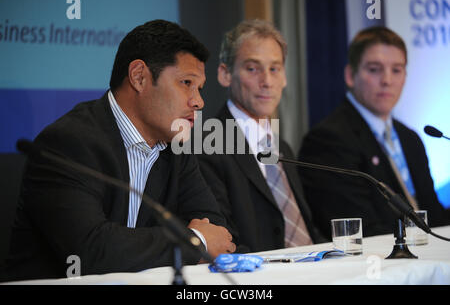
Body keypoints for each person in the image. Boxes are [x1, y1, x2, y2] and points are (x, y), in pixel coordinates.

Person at [1, 19, 235, 282]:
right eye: (186, 83)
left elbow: (216, 230)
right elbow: (90, 251)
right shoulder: (68, 143)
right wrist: (194, 241)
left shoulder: (176, 148)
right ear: (139, 77)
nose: (199, 101)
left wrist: (199, 239)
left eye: (200, 88)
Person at [298, 26, 450, 239]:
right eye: (374, 69)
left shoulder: (411, 139)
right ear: (351, 75)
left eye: (396, 70)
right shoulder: (328, 140)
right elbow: (360, 231)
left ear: (405, 76)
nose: (387, 80)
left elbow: (435, 218)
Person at [197, 20, 325, 253]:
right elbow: (225, 243)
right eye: (253, 69)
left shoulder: (282, 147)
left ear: (284, 77)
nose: (267, 82)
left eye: (274, 69)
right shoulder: (207, 144)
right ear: (225, 74)